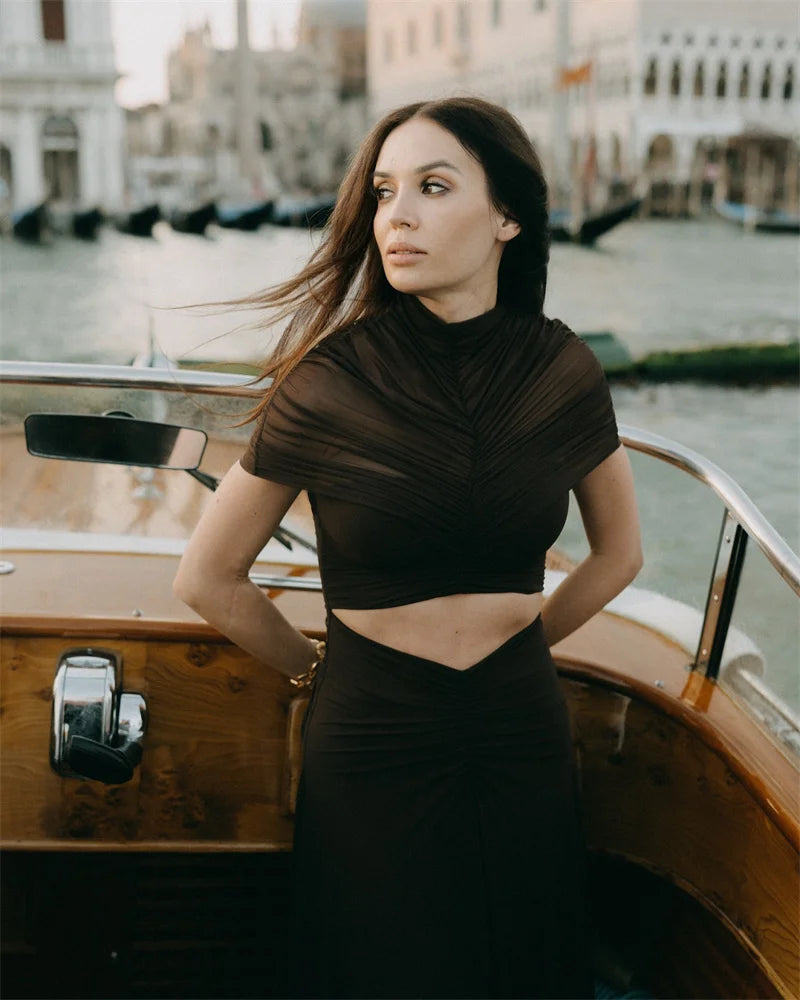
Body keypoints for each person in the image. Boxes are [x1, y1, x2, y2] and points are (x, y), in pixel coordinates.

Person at [174, 96, 642, 999]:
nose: (398, 216)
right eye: (385, 192)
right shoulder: (329, 379)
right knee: (380, 965)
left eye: (433, 187)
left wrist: (522, 653)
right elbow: (209, 577)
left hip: (518, 725)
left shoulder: (563, 369)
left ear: (507, 216)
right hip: (373, 728)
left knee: (525, 959)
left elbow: (618, 553)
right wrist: (320, 673)